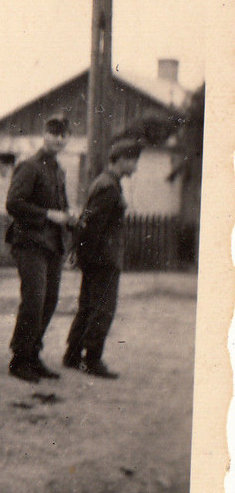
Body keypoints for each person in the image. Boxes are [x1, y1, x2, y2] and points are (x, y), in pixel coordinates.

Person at [6, 113, 78, 383]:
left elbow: (61, 204)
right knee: (34, 302)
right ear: (44, 135)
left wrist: (68, 215)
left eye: (63, 134)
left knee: (48, 302)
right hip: (30, 244)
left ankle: (33, 356)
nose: (58, 139)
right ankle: (19, 359)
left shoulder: (58, 170)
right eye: (53, 133)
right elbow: (13, 203)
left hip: (53, 244)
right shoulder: (30, 166)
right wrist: (48, 215)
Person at [63, 136, 142, 379]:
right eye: (134, 161)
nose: (136, 166)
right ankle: (92, 359)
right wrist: (84, 255)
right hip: (103, 259)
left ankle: (73, 355)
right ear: (122, 160)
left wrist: (82, 255)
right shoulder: (109, 186)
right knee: (103, 308)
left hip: (98, 258)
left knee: (88, 306)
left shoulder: (107, 182)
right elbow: (92, 226)